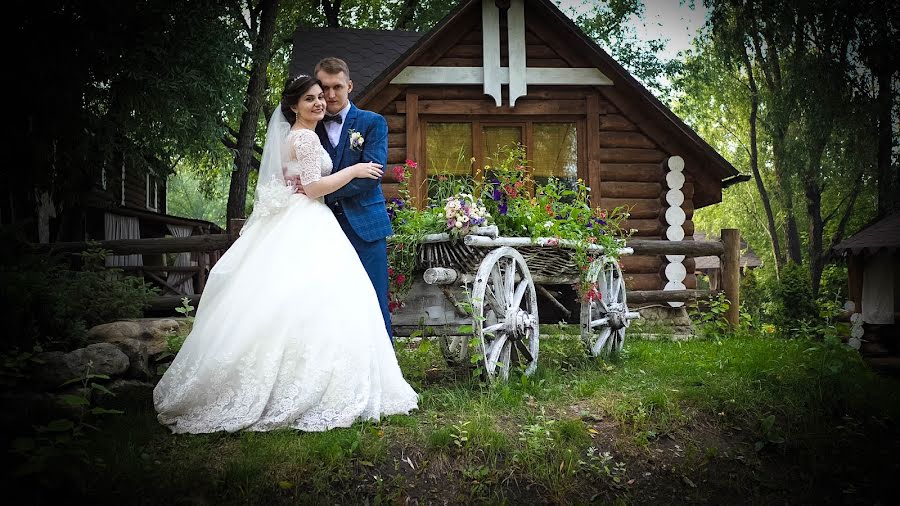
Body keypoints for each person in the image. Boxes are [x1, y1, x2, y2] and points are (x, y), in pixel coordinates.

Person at [153, 75, 418, 434]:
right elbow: (311, 188)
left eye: (320, 97)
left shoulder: (291, 136)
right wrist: (353, 169)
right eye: (309, 99)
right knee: (317, 299)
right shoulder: (306, 137)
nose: (319, 103)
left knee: (293, 302)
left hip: (294, 218)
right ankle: (309, 384)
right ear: (293, 106)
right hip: (308, 218)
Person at [311, 57, 394, 341]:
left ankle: (386, 373)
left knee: (373, 298)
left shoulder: (372, 123)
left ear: (350, 86)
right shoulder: (308, 127)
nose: (331, 95)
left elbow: (371, 174)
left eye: (337, 87)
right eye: (324, 88)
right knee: (327, 301)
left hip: (365, 226)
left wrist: (319, 191)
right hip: (320, 228)